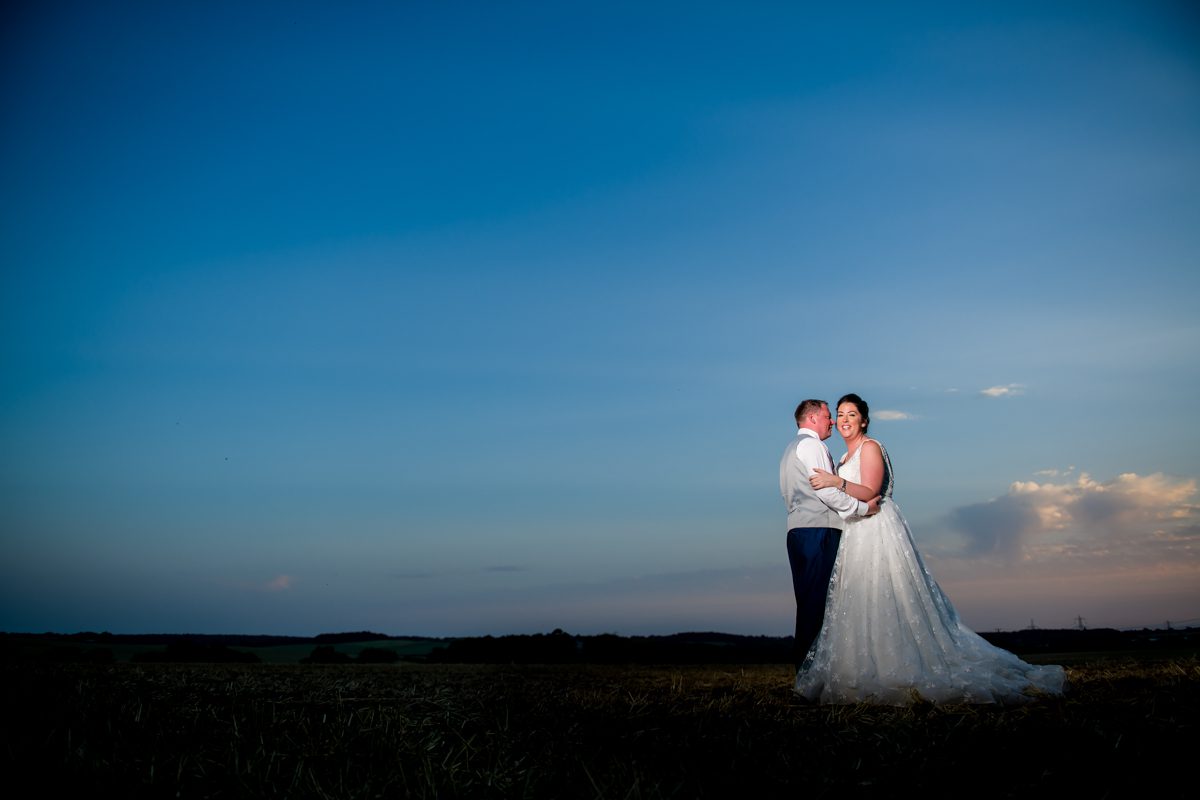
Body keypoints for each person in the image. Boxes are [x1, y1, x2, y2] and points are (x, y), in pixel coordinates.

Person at [796, 393, 1066, 705]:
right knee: (861, 597)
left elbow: (871, 489)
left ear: (864, 420)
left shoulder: (871, 447)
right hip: (856, 531)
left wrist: (834, 482)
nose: (843, 420)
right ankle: (867, 667)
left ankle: (903, 665)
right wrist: (836, 480)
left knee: (892, 593)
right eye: (840, 414)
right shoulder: (842, 459)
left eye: (851, 414)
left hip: (879, 528)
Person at [780, 399, 880, 672]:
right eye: (828, 416)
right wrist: (863, 508)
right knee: (817, 605)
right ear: (812, 418)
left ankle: (810, 671)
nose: (833, 422)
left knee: (809, 602)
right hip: (819, 530)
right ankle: (809, 674)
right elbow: (825, 491)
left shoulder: (791, 449)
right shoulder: (812, 446)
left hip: (798, 530)